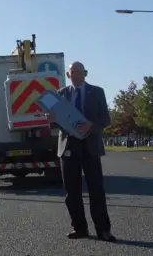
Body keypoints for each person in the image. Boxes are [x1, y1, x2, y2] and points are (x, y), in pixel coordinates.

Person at [57, 62, 116, 242]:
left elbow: (106, 118)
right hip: (68, 147)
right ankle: (79, 228)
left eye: (79, 72)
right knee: (72, 193)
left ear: (85, 74)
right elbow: (56, 122)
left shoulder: (97, 92)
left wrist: (92, 125)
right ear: (68, 74)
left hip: (90, 146)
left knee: (96, 190)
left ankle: (103, 230)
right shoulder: (61, 94)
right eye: (72, 72)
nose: (75, 75)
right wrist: (51, 119)